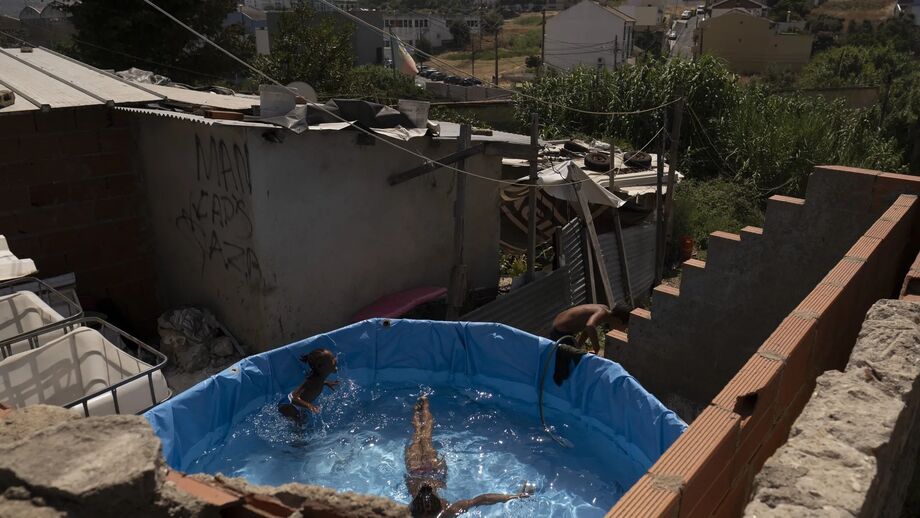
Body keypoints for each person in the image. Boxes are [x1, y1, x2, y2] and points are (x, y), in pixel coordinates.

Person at [405, 396, 531, 517]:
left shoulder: (445, 512)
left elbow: (483, 499)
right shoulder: (448, 512)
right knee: (422, 437)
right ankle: (423, 403)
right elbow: (482, 499)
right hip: (428, 472)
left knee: (420, 437)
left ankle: (423, 404)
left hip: (425, 472)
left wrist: (515, 496)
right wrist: (515, 496)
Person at [278, 348, 339, 423]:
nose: (335, 359)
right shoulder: (313, 381)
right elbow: (294, 399)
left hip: (293, 404)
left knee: (303, 421)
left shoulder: (319, 377)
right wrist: (309, 405)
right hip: (288, 405)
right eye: (332, 360)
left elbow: (318, 383)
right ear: (320, 367)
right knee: (300, 425)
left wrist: (326, 383)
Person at [550, 304, 624, 354]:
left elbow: (587, 329)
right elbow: (590, 326)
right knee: (569, 362)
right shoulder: (602, 313)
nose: (623, 330)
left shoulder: (604, 308)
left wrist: (578, 346)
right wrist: (597, 349)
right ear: (619, 321)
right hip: (561, 332)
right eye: (625, 327)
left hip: (558, 325)